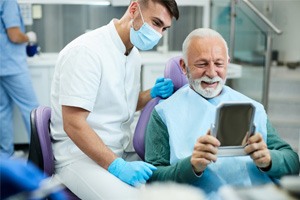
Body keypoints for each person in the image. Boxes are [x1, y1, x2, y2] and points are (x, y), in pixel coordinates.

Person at [145, 28, 300, 199]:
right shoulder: (164, 113)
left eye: (219, 64)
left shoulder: (252, 108)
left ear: (228, 63)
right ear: (183, 66)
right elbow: (153, 177)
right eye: (202, 64)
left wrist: (269, 160)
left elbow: (292, 161)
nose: (212, 73)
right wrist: (191, 166)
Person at [50, 0, 179, 199]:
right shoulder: (87, 51)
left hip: (115, 151)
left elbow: (121, 104)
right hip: (78, 157)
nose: (159, 34)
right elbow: (73, 124)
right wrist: (117, 166)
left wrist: (152, 93)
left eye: (164, 28)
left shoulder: (133, 55)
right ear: (134, 9)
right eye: (156, 23)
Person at [0, 0, 39, 157]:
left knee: (3, 110)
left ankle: (5, 155)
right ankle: (40, 155)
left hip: (2, 64)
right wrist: (28, 37)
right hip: (11, 65)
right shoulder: (8, 1)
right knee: (32, 109)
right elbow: (15, 36)